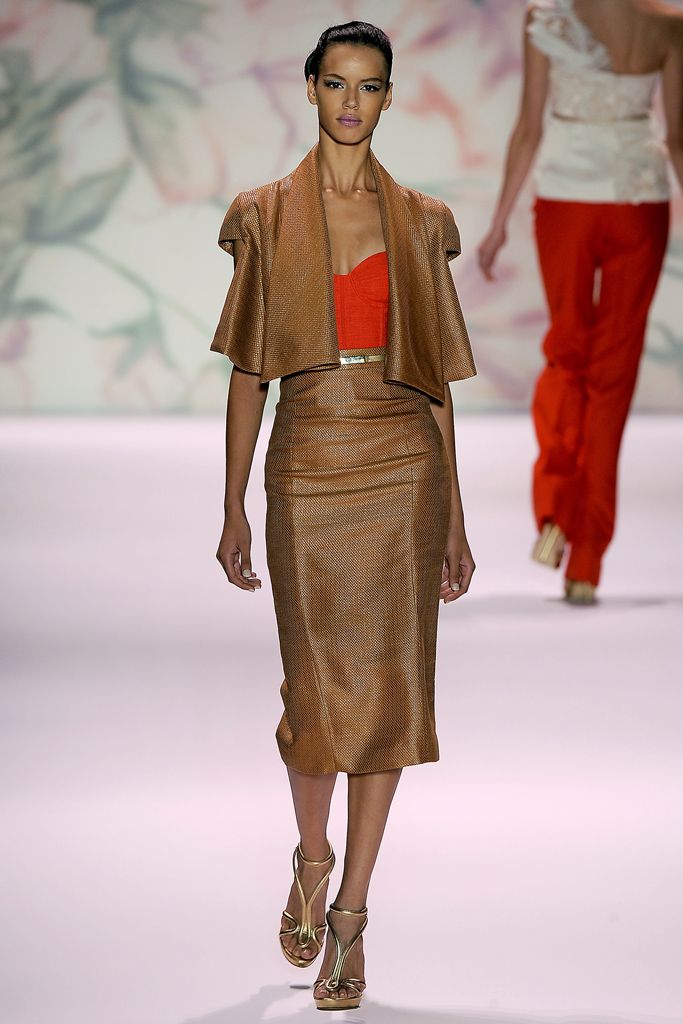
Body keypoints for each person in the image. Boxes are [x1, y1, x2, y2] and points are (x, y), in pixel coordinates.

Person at [211, 21, 476, 1012]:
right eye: (335, 83)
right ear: (311, 89)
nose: (351, 102)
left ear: (389, 97)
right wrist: (231, 501)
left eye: (368, 86)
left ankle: (352, 915)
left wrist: (454, 517)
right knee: (316, 692)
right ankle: (312, 856)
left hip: (403, 464)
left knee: (389, 696)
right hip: (308, 461)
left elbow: (436, 382)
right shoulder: (266, 215)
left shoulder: (420, 221)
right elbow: (249, 373)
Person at [478, 0, 683, 604]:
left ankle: (557, 516)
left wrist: (499, 223)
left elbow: (529, 128)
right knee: (613, 374)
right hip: (640, 204)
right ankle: (586, 559)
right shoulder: (668, 25)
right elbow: (677, 141)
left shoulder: (547, 17)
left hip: (567, 201)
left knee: (567, 354)